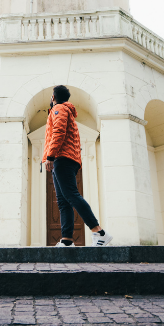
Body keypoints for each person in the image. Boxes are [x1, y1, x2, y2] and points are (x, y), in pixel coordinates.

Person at [42, 85, 109, 247]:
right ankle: (67, 240)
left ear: (53, 97)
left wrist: (50, 155)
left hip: (62, 158)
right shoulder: (66, 110)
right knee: (63, 201)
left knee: (71, 195)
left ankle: (99, 232)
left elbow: (58, 131)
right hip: (65, 158)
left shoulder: (59, 109)